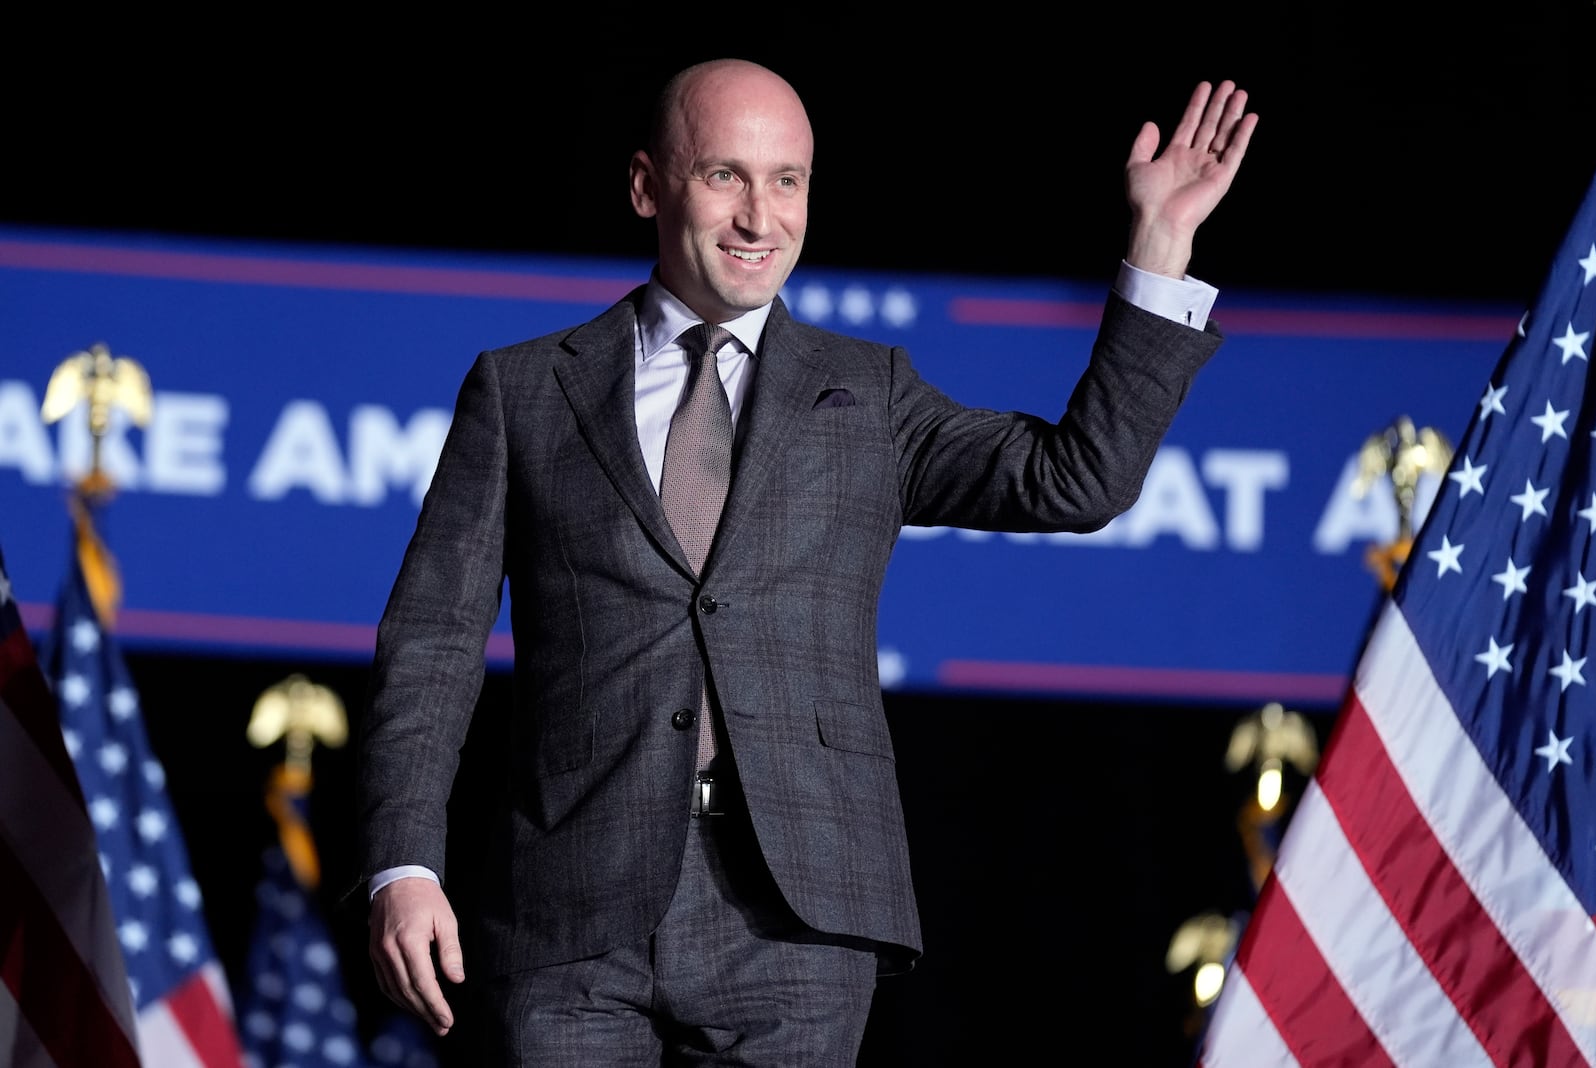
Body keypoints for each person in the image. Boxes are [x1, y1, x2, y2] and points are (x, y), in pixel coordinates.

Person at [356, 56, 1257, 1065]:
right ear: (648, 185)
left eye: (787, 180)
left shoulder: (867, 393)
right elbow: (432, 643)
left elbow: (1075, 480)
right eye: (725, 176)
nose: (759, 216)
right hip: (572, 914)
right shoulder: (522, 392)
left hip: (796, 921)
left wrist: (1160, 248)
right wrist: (404, 864)